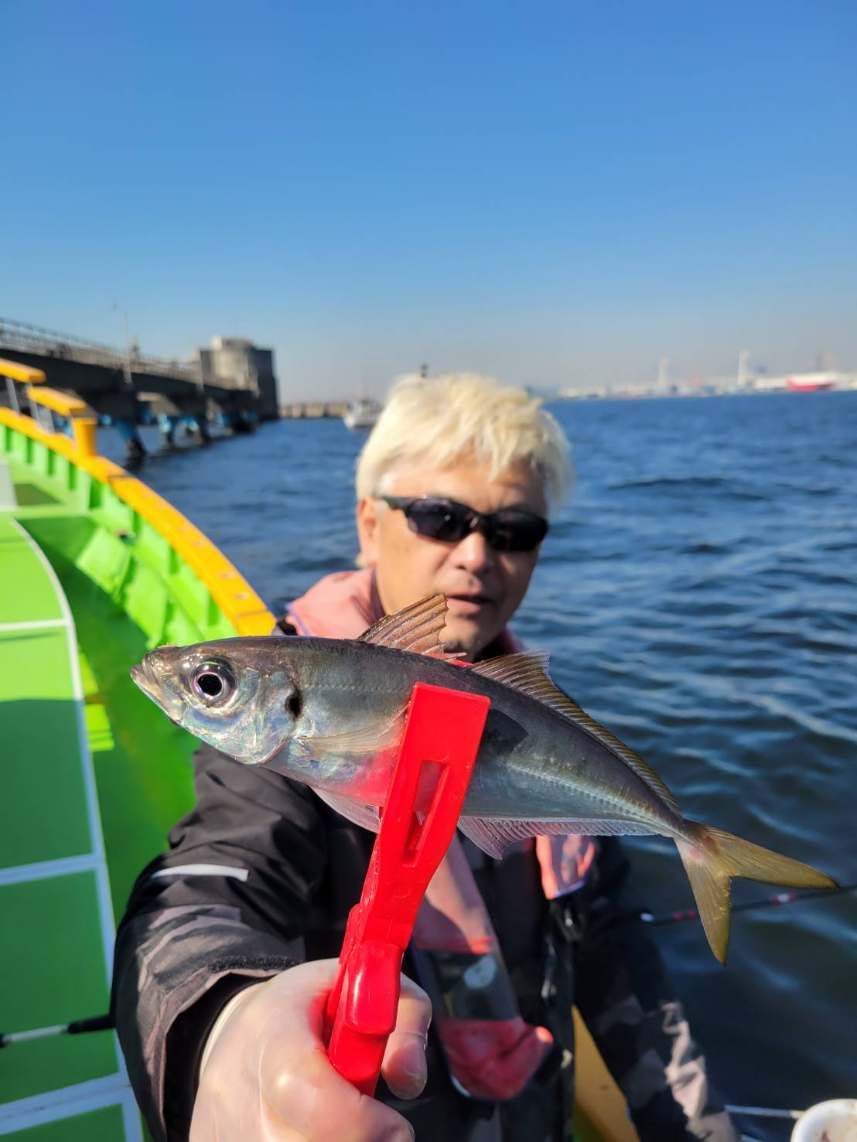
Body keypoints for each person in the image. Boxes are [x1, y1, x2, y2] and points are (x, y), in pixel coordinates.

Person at [112, 373, 737, 1141]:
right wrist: (222, 1035)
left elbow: (613, 954)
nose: (476, 556)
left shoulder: (548, 727)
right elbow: (206, 885)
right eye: (440, 518)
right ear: (368, 523)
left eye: (514, 531)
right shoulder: (279, 748)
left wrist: (699, 1130)